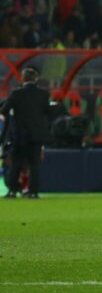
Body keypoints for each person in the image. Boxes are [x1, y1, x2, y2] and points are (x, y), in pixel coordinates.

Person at [0, 67, 53, 198]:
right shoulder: (44, 94)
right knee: (34, 164)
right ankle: (33, 192)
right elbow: (48, 112)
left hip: (19, 135)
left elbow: (4, 111)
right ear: (36, 79)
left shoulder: (15, 93)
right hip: (37, 134)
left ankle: (12, 191)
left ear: (22, 79)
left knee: (16, 163)